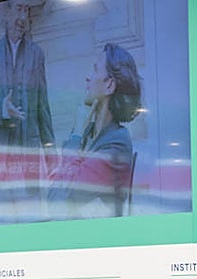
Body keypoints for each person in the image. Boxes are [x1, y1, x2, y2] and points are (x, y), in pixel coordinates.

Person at [0, 0, 55, 220]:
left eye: (27, 11)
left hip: (28, 154)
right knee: (3, 222)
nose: (23, 17)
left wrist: (51, 160)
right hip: (2, 153)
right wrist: (2, 107)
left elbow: (43, 106)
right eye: (19, 9)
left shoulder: (36, 53)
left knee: (32, 220)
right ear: (7, 11)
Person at [48, 43, 141, 219]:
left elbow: (58, 204)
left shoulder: (117, 143)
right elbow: (54, 196)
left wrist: (75, 135)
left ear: (109, 85)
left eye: (95, 70)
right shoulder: (89, 134)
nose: (88, 77)